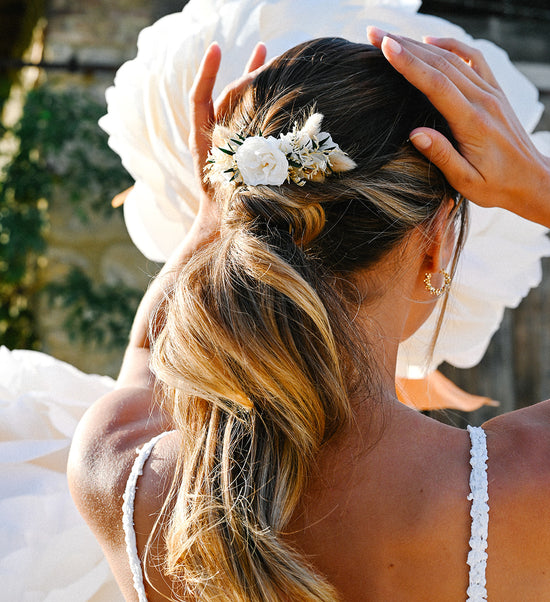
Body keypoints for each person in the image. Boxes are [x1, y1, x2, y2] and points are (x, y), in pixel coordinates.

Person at [68, 29, 550, 602]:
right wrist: (536, 181)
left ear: (237, 227)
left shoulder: (118, 468)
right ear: (436, 243)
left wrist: (214, 220)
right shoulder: (522, 484)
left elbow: (147, 357)